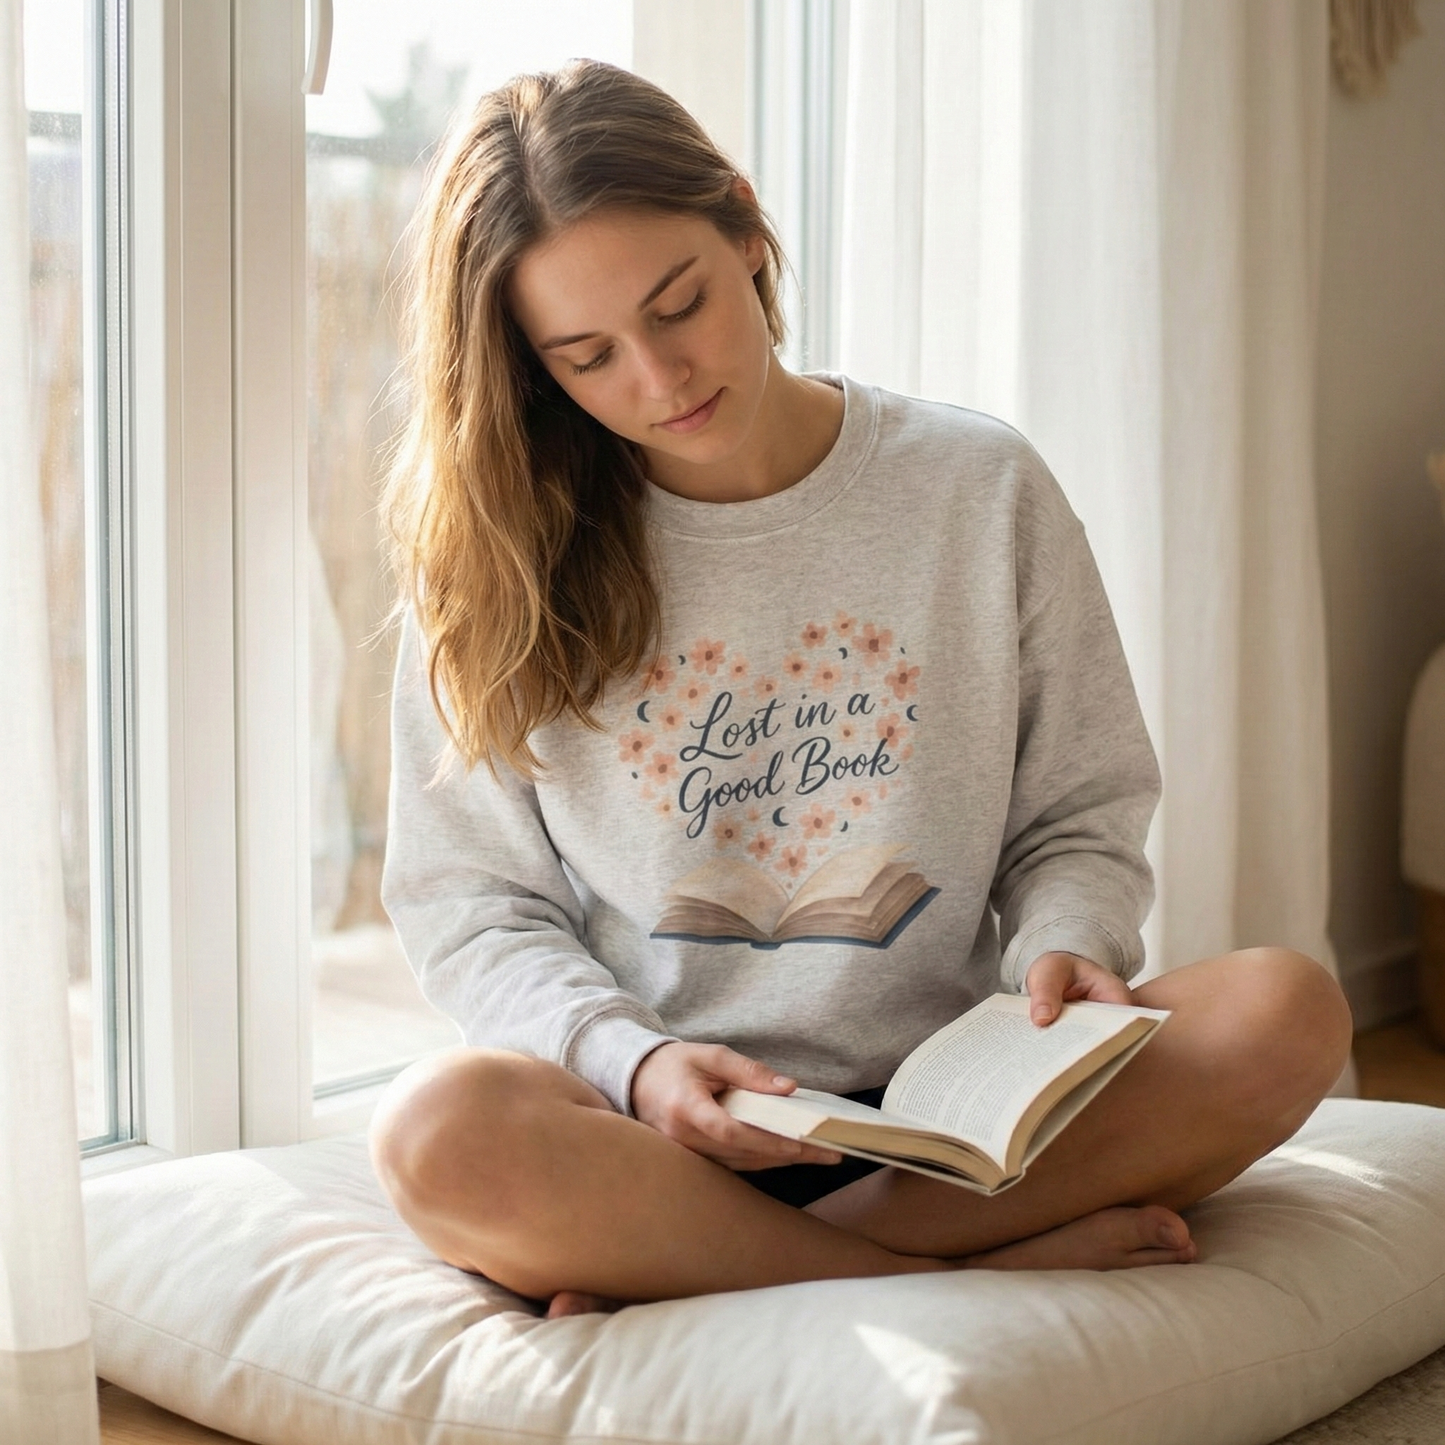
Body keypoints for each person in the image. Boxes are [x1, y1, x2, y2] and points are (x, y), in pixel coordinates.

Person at [368, 59, 1352, 1319]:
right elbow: (471, 906)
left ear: (740, 219)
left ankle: (722, 1270)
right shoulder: (499, 556)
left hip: (962, 1112)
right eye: (586, 357)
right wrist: (638, 1060)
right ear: (529, 368)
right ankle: (928, 1271)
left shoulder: (974, 485)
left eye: (681, 304)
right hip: (666, 1123)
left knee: (1286, 1008)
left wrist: (1066, 948)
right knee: (435, 1130)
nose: (659, 380)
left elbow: (1079, 810)